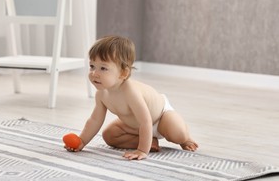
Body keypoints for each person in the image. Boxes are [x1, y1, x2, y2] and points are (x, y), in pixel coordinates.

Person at [64, 35, 198, 160]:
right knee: (109, 135)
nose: (94, 73)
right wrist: (82, 141)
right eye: (92, 66)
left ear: (123, 73)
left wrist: (142, 150)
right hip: (136, 125)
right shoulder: (102, 94)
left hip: (160, 117)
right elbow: (94, 120)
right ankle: (151, 141)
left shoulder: (130, 92)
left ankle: (186, 138)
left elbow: (146, 121)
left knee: (177, 133)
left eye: (103, 68)